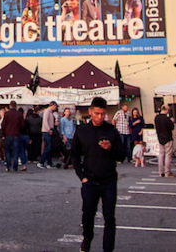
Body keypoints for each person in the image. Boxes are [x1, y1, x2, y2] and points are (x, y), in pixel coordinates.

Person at [71, 97, 126, 252]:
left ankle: (108, 249)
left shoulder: (111, 131)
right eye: (97, 113)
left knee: (109, 217)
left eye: (103, 114)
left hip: (108, 181)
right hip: (90, 180)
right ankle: (87, 238)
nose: (100, 117)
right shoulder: (82, 131)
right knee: (88, 215)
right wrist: (82, 176)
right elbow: (74, 155)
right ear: (90, 112)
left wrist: (111, 149)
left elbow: (122, 156)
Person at [154, 104, 176, 178]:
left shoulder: (156, 117)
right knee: (168, 155)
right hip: (167, 137)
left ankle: (161, 172)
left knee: (161, 155)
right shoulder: (167, 119)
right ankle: (167, 172)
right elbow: (171, 127)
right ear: (167, 110)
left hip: (160, 138)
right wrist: (171, 121)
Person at [0, 101, 23, 172]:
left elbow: (3, 125)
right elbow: (22, 125)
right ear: (16, 106)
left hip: (8, 134)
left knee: (7, 151)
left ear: (10, 106)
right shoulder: (19, 114)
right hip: (16, 134)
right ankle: (15, 167)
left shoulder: (7, 114)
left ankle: (8, 166)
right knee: (15, 151)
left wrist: (3, 134)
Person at [38, 101, 57, 169]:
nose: (55, 108)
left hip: (49, 131)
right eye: (55, 106)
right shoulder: (47, 111)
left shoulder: (51, 112)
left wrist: (54, 124)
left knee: (50, 146)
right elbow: (45, 121)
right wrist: (49, 129)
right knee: (48, 147)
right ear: (52, 105)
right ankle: (41, 162)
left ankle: (49, 162)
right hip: (46, 131)